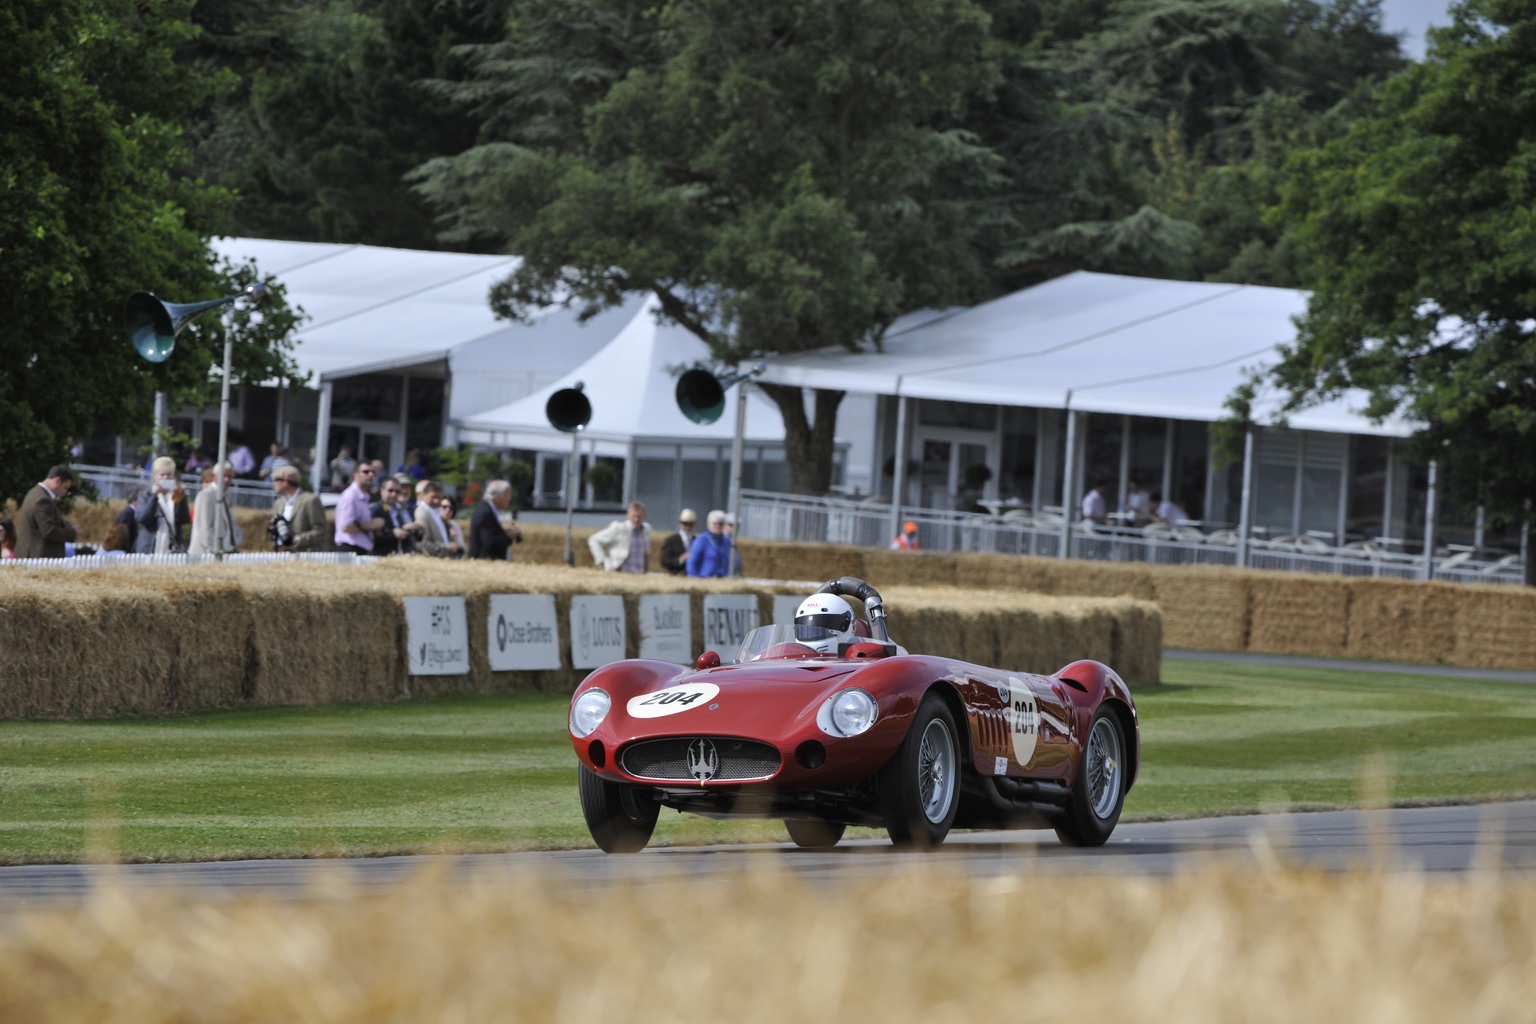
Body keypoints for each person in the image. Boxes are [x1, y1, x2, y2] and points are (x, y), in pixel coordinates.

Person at [15, 466, 77, 559]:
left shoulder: (34, 493)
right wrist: (73, 533)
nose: (65, 492)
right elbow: (50, 531)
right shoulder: (42, 499)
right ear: (57, 480)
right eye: (65, 487)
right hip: (37, 558)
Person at [133, 456, 190, 554]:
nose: (165, 478)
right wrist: (154, 497)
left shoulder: (176, 495)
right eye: (162, 475)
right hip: (150, 546)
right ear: (155, 476)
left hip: (171, 546)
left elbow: (184, 519)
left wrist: (182, 497)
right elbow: (142, 519)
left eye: (169, 475)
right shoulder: (146, 495)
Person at [269, 465, 331, 552]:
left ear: (285, 482)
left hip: (306, 556)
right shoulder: (278, 504)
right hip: (283, 556)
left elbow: (320, 531)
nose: (273, 484)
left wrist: (299, 540)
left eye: (276, 480)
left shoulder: (310, 500)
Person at [188, 463, 244, 555]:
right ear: (214, 477)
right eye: (224, 476)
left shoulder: (226, 496)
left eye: (230, 477)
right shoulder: (206, 495)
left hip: (224, 552)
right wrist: (213, 550)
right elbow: (204, 527)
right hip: (205, 554)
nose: (227, 479)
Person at [333, 464, 384, 554]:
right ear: (356, 474)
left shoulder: (364, 496)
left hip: (360, 549)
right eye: (366, 472)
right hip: (349, 550)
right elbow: (346, 526)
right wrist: (372, 525)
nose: (371, 475)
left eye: (373, 472)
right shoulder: (350, 495)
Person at [588, 501, 651, 573]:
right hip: (620, 571)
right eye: (634, 516)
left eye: (639, 516)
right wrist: (601, 561)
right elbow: (594, 540)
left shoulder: (646, 529)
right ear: (628, 515)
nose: (636, 520)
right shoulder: (619, 528)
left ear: (645, 516)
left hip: (639, 573)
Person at [469, 479, 523, 560]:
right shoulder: (485, 513)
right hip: (484, 565)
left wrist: (507, 532)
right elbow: (490, 543)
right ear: (497, 497)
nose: (509, 499)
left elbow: (492, 533)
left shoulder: (488, 510)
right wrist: (508, 536)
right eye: (507, 495)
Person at [370, 476, 422, 556]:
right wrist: (392, 535)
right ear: (382, 490)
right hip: (383, 557)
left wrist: (410, 529)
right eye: (390, 490)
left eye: (397, 491)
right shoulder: (375, 510)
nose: (394, 494)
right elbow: (372, 538)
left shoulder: (401, 509)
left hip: (402, 556)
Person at [791, 593, 859, 655]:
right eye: (806, 630)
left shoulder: (860, 659)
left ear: (845, 625)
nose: (812, 634)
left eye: (821, 631)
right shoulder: (792, 663)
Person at [413, 481, 464, 558]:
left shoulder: (436, 510)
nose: (436, 501)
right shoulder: (422, 513)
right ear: (424, 495)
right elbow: (423, 543)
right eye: (433, 497)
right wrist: (446, 547)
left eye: (439, 497)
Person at [686, 509, 734, 577]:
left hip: (723, 581)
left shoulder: (727, 542)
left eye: (720, 524)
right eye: (715, 523)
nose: (718, 526)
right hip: (705, 581)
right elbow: (691, 564)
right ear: (709, 524)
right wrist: (694, 580)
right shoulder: (701, 540)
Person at [659, 508, 697, 575]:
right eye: (685, 524)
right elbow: (664, 561)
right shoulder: (671, 540)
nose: (688, 526)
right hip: (676, 576)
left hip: (693, 576)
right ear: (680, 523)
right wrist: (681, 559)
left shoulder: (697, 540)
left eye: (690, 524)